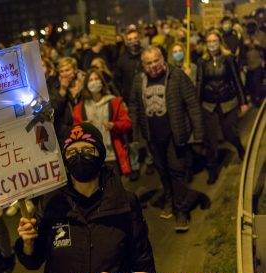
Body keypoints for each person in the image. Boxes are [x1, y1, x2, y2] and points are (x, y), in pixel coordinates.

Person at [16, 123, 159, 273]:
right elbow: (33, 262)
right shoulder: (52, 204)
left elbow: (144, 267)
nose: (79, 156)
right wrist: (28, 245)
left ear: (100, 154)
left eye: (87, 149)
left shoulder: (124, 203)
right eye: (72, 152)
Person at [130, 46, 210, 231]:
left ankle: (181, 211)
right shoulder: (138, 81)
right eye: (149, 63)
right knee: (163, 171)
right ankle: (169, 198)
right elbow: (134, 106)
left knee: (176, 171)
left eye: (156, 60)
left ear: (163, 59)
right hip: (152, 136)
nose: (153, 66)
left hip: (175, 135)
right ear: (143, 65)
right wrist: (135, 133)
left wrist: (198, 133)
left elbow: (192, 104)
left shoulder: (177, 76)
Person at [197, 30, 248, 184]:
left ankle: (239, 148)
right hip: (209, 104)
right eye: (209, 41)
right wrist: (196, 104)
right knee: (210, 140)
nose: (212, 44)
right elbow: (200, 82)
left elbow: (236, 80)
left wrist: (243, 101)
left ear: (220, 42)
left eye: (215, 41)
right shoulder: (202, 61)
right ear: (206, 44)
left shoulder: (229, 58)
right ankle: (212, 168)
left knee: (229, 133)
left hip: (228, 101)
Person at [72, 69, 132, 176]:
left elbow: (127, 123)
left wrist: (115, 125)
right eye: (90, 80)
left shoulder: (114, 102)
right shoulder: (79, 108)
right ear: (86, 84)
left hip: (111, 152)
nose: (94, 82)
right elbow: (74, 130)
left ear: (102, 82)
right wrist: (83, 127)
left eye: (96, 79)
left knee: (115, 183)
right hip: (92, 154)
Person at [114, 29, 154, 181]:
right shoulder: (122, 60)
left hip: (148, 98)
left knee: (149, 130)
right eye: (129, 39)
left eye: (135, 38)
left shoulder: (147, 55)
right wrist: (121, 98)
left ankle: (151, 160)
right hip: (130, 103)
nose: (133, 41)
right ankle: (135, 164)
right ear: (125, 41)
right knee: (131, 136)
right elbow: (116, 80)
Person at [49, 57, 84, 145]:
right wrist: (62, 90)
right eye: (62, 71)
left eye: (67, 70)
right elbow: (54, 111)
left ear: (75, 70)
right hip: (68, 133)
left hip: (87, 126)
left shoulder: (84, 82)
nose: (64, 74)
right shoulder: (55, 88)